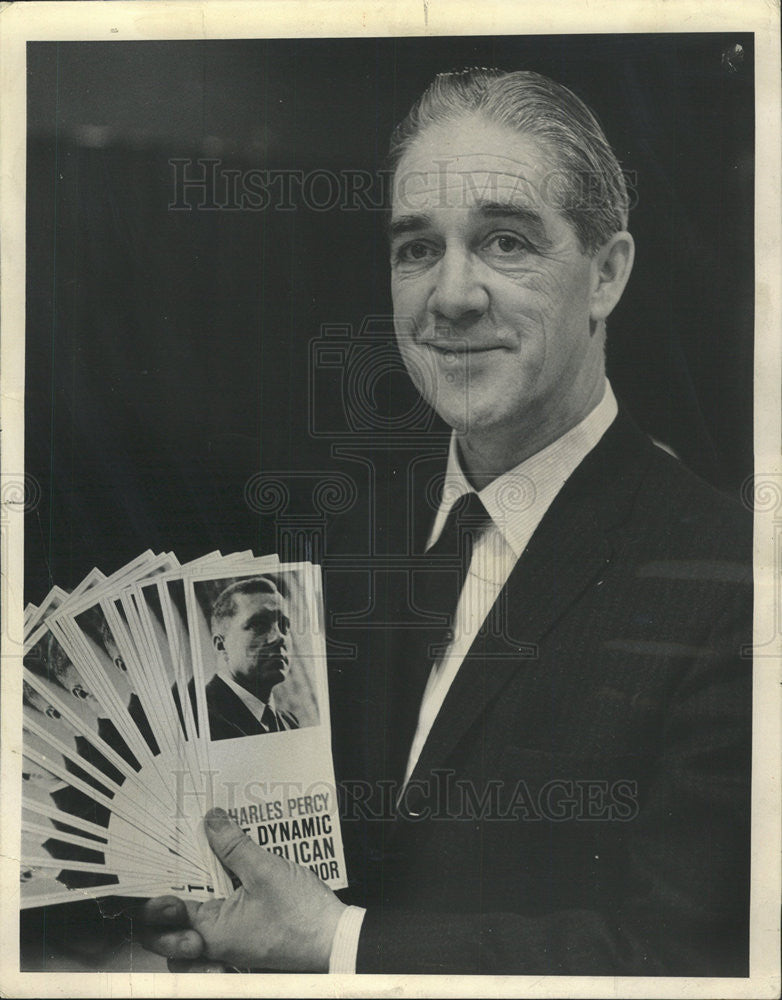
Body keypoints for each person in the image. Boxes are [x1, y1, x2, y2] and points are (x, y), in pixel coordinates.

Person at [141, 68, 752, 976]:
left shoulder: (730, 581)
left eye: (506, 241)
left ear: (607, 274)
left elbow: (692, 962)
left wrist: (336, 946)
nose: (452, 295)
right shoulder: (342, 543)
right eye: (417, 249)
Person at [204, 577, 299, 740]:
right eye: (258, 625)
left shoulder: (290, 723)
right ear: (221, 645)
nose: (279, 638)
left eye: (284, 626)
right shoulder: (200, 720)